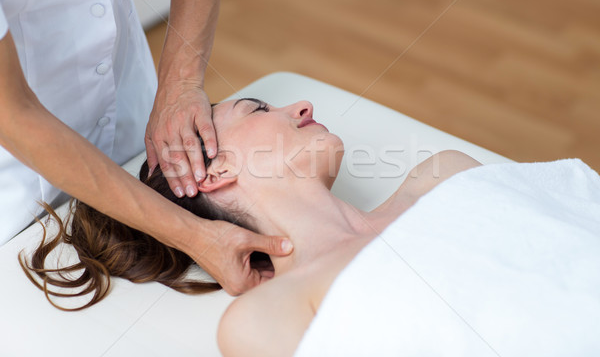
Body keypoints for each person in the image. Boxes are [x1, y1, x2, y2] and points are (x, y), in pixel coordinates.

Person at [21, 98, 600, 355]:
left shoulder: (441, 176)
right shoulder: (265, 316)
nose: (298, 105)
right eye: (256, 110)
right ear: (212, 169)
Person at [0, 0, 292, 294]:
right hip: (15, 180)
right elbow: (12, 115)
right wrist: (193, 235)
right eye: (256, 109)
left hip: (123, 93)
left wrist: (181, 78)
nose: (304, 107)